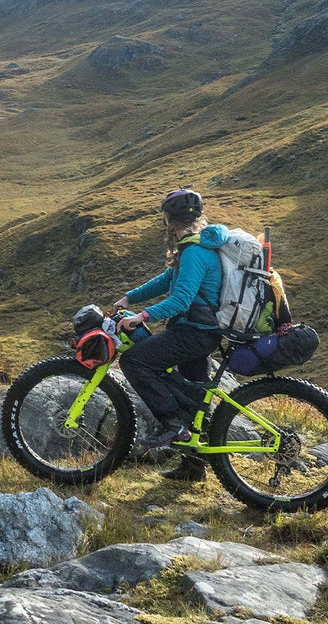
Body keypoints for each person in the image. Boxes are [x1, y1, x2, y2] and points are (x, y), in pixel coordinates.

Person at [112, 189, 226, 482]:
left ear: (168, 221)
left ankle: (172, 423)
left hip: (193, 333)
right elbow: (167, 280)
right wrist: (130, 297)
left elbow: (181, 300)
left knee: (135, 361)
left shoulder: (195, 252)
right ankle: (194, 466)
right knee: (194, 399)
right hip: (202, 333)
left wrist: (142, 316)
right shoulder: (196, 247)